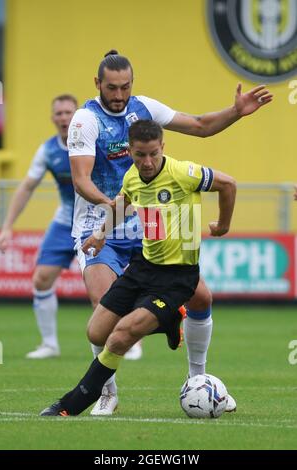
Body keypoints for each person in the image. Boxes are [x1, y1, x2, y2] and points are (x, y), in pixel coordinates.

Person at [66, 50, 272, 415]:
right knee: (103, 310)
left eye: (125, 87)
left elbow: (199, 125)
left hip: (150, 222)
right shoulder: (84, 120)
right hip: (101, 225)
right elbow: (81, 180)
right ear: (97, 84)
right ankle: (107, 393)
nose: (118, 94)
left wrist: (236, 112)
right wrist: (117, 206)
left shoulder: (143, 108)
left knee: (201, 298)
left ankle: (199, 382)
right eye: (111, 88)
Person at [40, 119, 236, 416]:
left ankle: (75, 402)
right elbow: (123, 202)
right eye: (140, 154)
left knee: (121, 336)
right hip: (143, 267)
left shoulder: (183, 173)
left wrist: (222, 225)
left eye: (153, 154)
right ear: (130, 150)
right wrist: (100, 234)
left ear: (163, 148)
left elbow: (228, 183)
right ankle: (169, 320)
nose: (147, 162)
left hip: (178, 276)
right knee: (96, 332)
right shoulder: (132, 177)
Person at [0, 95, 78, 358]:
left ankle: (132, 343)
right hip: (65, 222)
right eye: (59, 113)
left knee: (115, 284)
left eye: (68, 112)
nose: (64, 117)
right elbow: (27, 187)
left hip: (100, 222)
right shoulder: (48, 151)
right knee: (41, 279)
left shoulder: (94, 143)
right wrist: (7, 226)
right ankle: (50, 344)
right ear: (53, 118)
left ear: (78, 115)